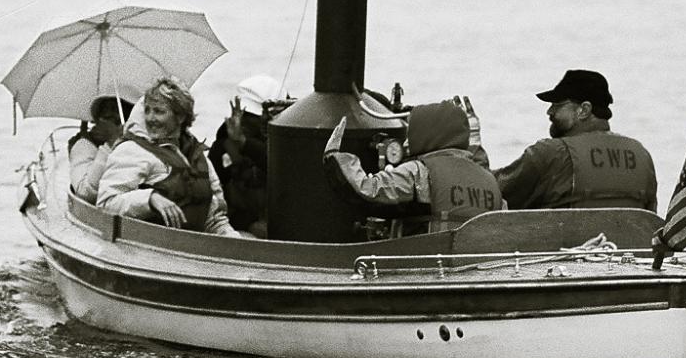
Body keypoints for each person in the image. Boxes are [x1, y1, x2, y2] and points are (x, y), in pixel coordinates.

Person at [323, 100, 503, 234]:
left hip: (425, 269)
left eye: (413, 134)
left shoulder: (419, 171)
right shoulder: (490, 181)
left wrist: (335, 157)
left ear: (429, 135)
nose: (407, 143)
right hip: (473, 271)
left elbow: (365, 191)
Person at [493, 69, 657, 211]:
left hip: (568, 246)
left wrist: (473, 149)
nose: (549, 111)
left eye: (558, 105)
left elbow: (491, 191)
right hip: (631, 246)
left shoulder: (550, 153)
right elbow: (650, 215)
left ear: (584, 110)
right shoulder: (642, 155)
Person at [97, 77, 239, 236]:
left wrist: (234, 241)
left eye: (159, 111)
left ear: (180, 117)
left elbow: (214, 218)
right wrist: (149, 199)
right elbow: (106, 204)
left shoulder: (198, 157)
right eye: (147, 110)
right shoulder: (132, 151)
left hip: (194, 248)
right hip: (149, 247)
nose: (150, 118)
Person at [208, 74, 284, 238]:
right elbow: (214, 194)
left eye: (253, 116)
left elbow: (280, 167)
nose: (246, 122)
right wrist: (247, 223)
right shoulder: (223, 147)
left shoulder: (285, 143)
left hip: (282, 224)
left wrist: (245, 144)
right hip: (240, 228)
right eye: (245, 116)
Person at [68, 95, 134, 203]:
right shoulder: (83, 146)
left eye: (120, 118)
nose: (115, 125)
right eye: (108, 117)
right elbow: (84, 192)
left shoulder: (135, 145)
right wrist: (110, 144)